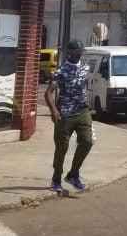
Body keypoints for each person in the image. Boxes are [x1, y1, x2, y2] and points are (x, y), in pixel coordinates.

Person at [45, 38, 94, 192]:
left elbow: (85, 87)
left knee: (87, 141)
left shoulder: (86, 68)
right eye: (77, 52)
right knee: (62, 148)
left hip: (83, 112)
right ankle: (56, 179)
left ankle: (73, 174)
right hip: (65, 114)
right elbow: (48, 93)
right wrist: (53, 110)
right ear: (70, 52)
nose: (79, 55)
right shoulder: (61, 71)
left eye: (81, 52)